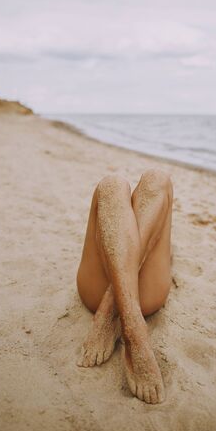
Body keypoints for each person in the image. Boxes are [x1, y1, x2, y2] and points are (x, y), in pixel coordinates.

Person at [76, 168, 173, 404]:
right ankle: (134, 328)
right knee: (148, 180)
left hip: (98, 294)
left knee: (113, 184)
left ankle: (113, 311)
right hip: (145, 297)